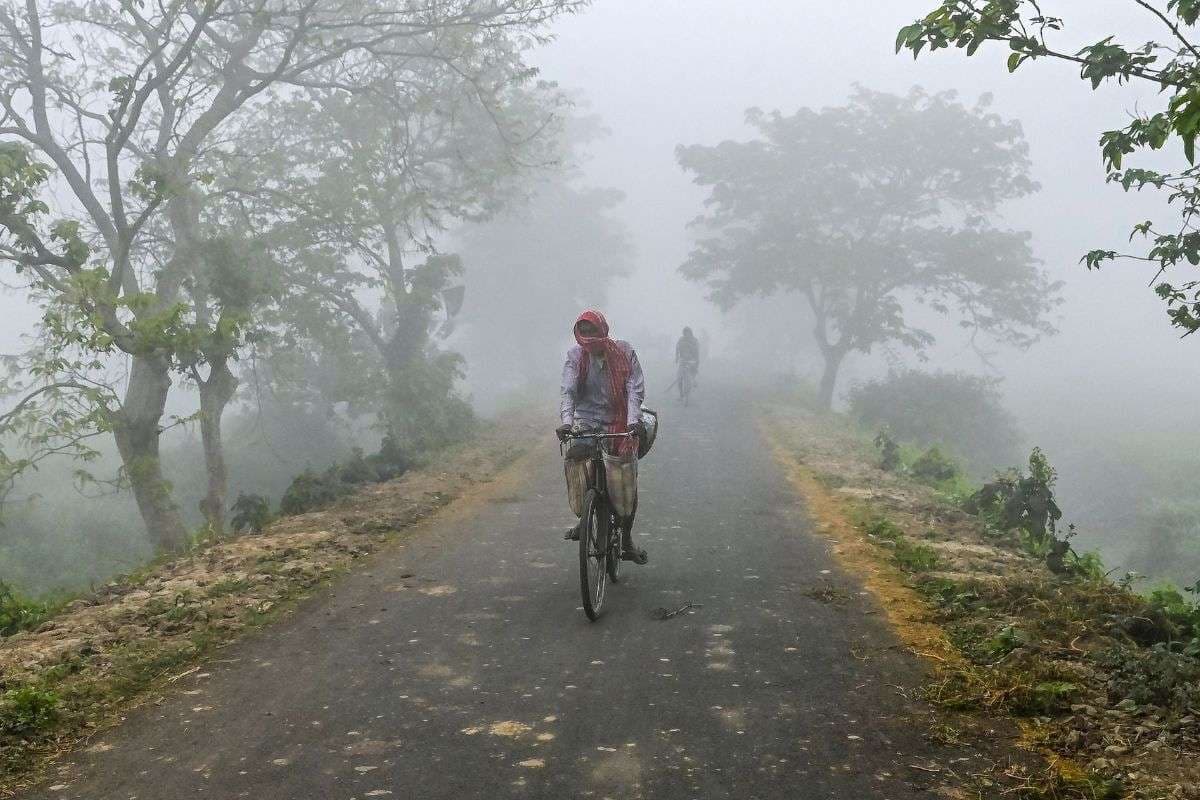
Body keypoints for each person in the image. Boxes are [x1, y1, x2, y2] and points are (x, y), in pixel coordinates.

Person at [557, 310, 648, 565]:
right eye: (582, 332)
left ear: (603, 330)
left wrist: (633, 422)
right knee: (577, 464)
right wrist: (566, 422)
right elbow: (568, 392)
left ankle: (626, 539)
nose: (588, 338)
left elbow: (634, 389)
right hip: (586, 422)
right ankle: (584, 520)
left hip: (620, 420)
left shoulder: (624, 352)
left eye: (591, 331)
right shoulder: (575, 357)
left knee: (626, 482)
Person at [675, 326, 700, 396]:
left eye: (688, 333)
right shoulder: (681, 340)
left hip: (692, 360)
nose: (687, 334)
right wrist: (676, 357)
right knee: (679, 378)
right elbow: (677, 348)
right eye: (685, 333)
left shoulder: (694, 340)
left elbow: (697, 351)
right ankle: (681, 394)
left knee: (693, 373)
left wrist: (697, 361)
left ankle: (693, 380)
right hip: (683, 360)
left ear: (690, 333)